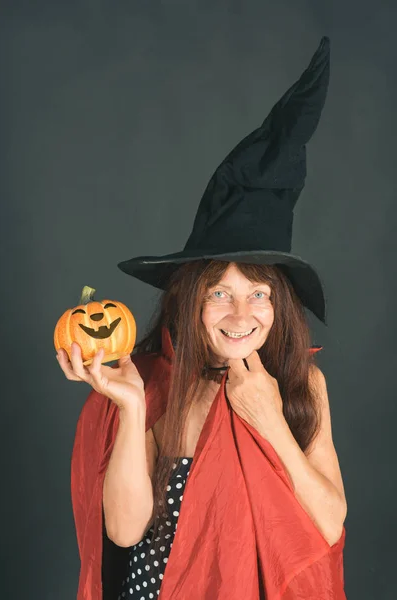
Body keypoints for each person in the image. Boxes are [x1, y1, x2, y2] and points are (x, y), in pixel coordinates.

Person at [57, 37, 347, 600]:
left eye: (259, 293)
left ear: (279, 304)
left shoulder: (301, 383)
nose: (242, 314)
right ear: (189, 298)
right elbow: (123, 531)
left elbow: (330, 522)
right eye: (219, 293)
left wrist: (268, 421)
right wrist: (132, 404)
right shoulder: (149, 378)